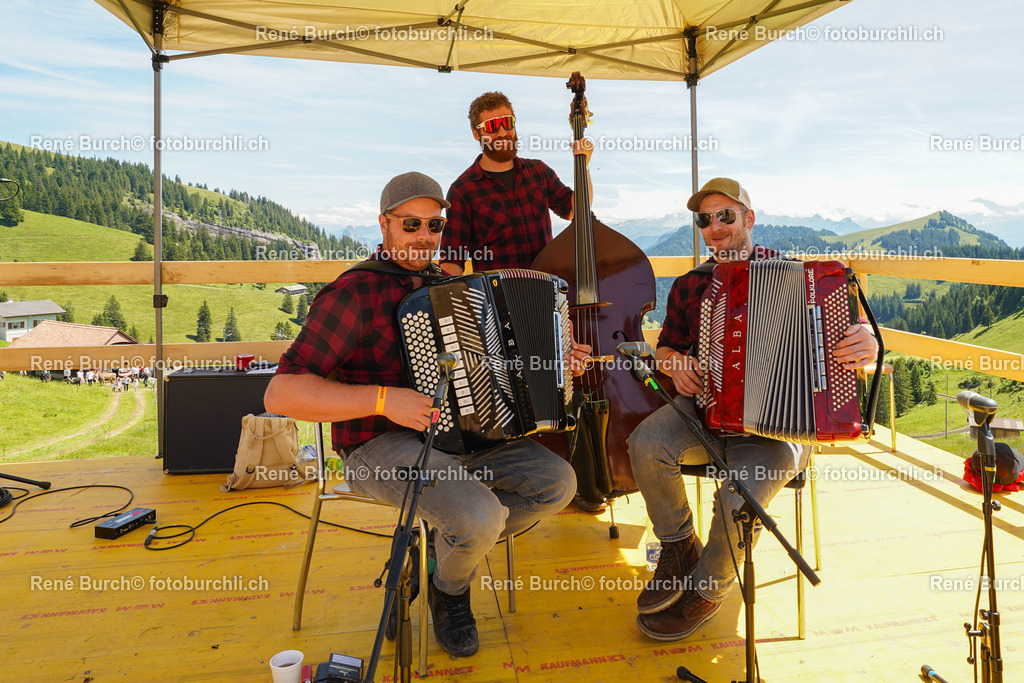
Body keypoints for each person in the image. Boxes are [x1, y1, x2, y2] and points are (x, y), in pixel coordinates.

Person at [264, 171, 589, 658]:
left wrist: (558, 363)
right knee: (479, 518)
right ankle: (453, 591)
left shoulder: (453, 287)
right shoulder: (352, 294)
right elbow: (280, 394)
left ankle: (442, 559)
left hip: (464, 439)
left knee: (558, 483)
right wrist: (381, 398)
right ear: (384, 225)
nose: (424, 237)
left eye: (434, 226)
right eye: (411, 224)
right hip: (378, 445)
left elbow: (501, 367)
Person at [628, 178, 880, 641]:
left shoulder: (806, 281)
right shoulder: (690, 286)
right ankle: (678, 545)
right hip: (704, 412)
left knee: (736, 497)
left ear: (749, 219)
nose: (715, 227)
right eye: (705, 219)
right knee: (644, 443)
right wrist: (676, 361)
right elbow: (664, 349)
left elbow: (854, 334)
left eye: (726, 215)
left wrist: (864, 341)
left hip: (783, 429)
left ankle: (707, 589)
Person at [440, 91, 593, 275]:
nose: (503, 132)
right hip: (498, 300)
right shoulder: (462, 191)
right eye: (492, 126)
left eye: (508, 122)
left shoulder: (539, 171)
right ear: (476, 133)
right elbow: (452, 261)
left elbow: (575, 210)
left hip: (547, 292)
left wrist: (584, 166)